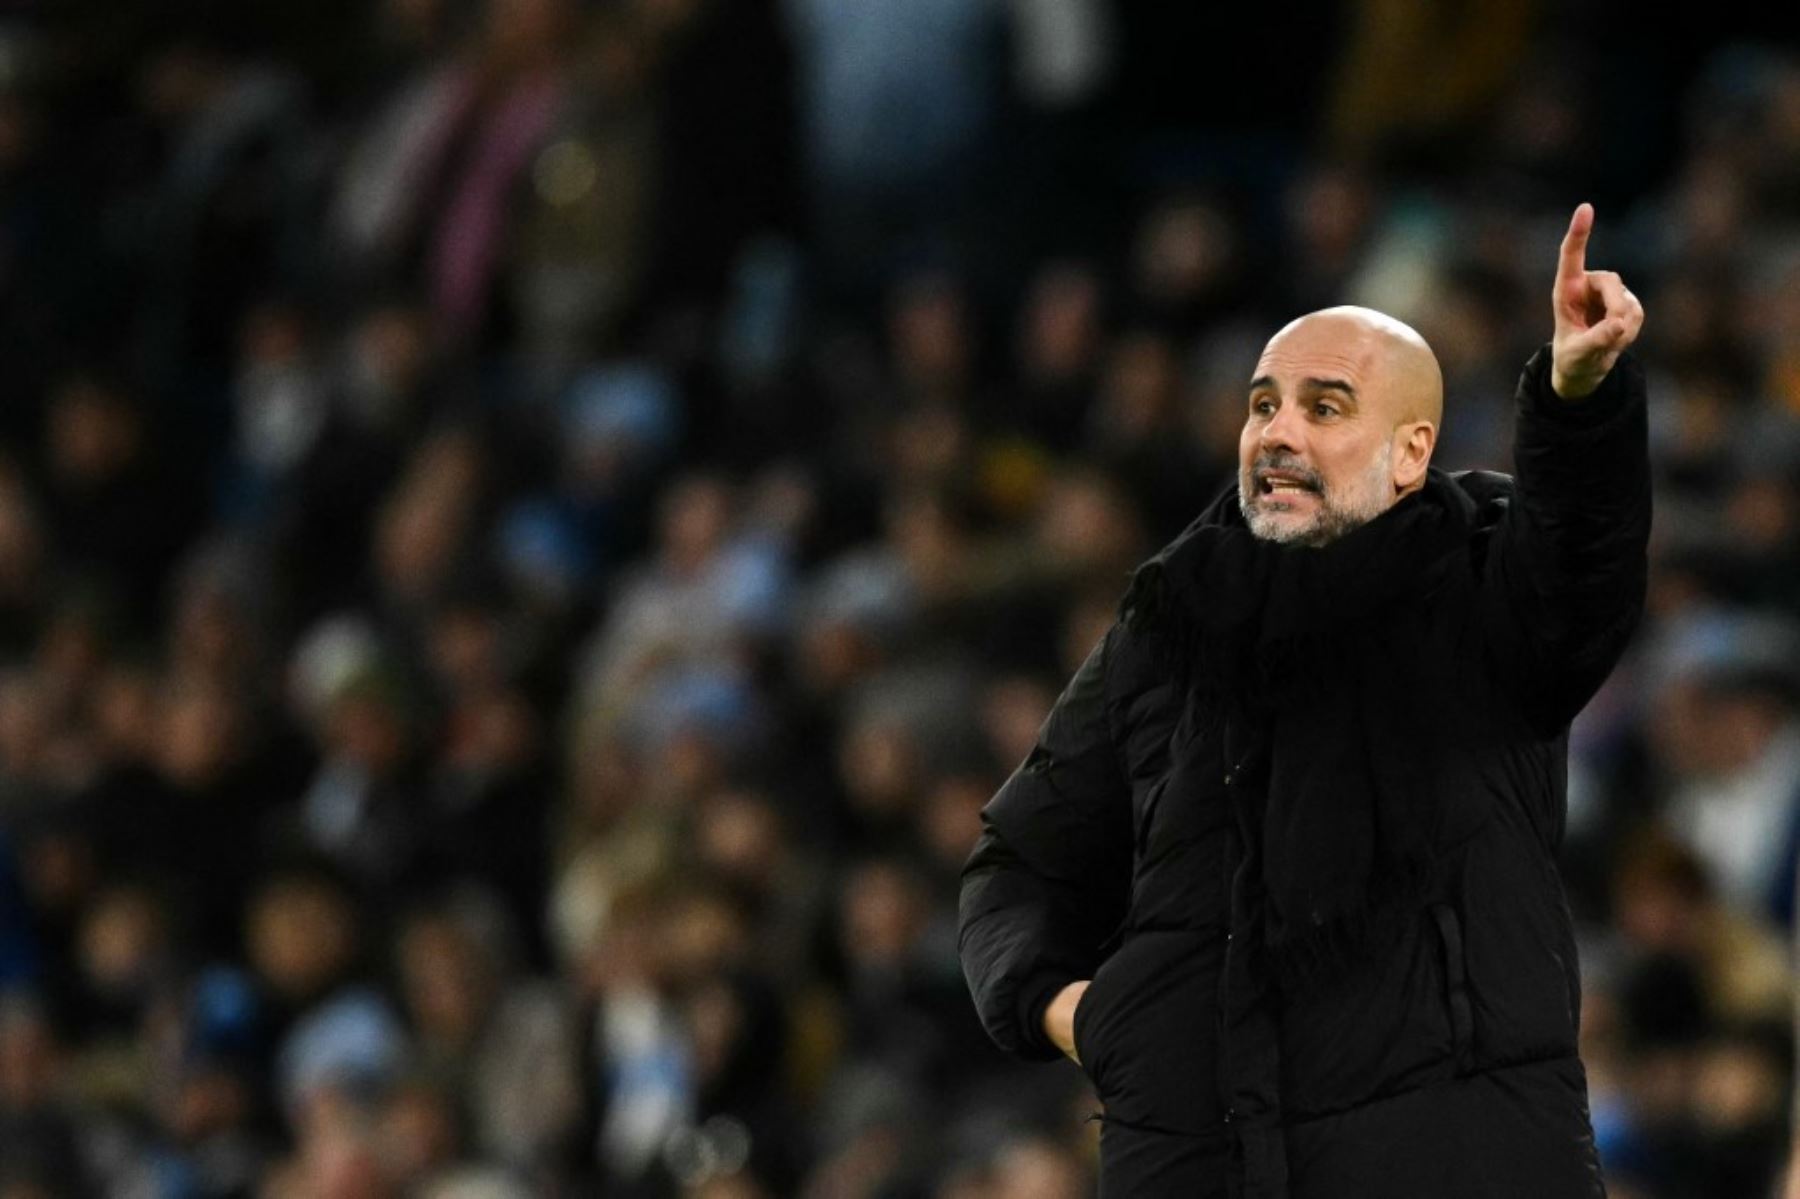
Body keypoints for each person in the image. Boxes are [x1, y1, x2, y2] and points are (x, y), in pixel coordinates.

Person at [959, 203, 1648, 1198]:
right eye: (1262, 404)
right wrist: (1076, 1009)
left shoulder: (1482, 583)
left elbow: (1582, 579)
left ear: (1411, 452)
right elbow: (1020, 859)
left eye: (1324, 408)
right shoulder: (1167, 629)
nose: (1277, 431)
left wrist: (1578, 402)